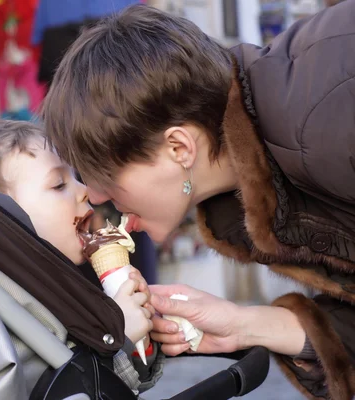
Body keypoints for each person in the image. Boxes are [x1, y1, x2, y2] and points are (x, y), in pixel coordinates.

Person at [40, 2, 355, 399]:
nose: (95, 196)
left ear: (178, 147)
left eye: (104, 176)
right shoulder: (244, 198)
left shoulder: (328, 115)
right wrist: (243, 324)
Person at [0, 120, 163, 393]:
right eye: (59, 185)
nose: (83, 190)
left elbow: (130, 380)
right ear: (1, 217)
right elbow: (65, 389)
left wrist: (142, 340)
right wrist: (121, 340)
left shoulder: (62, 285)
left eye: (74, 177)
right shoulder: (2, 314)